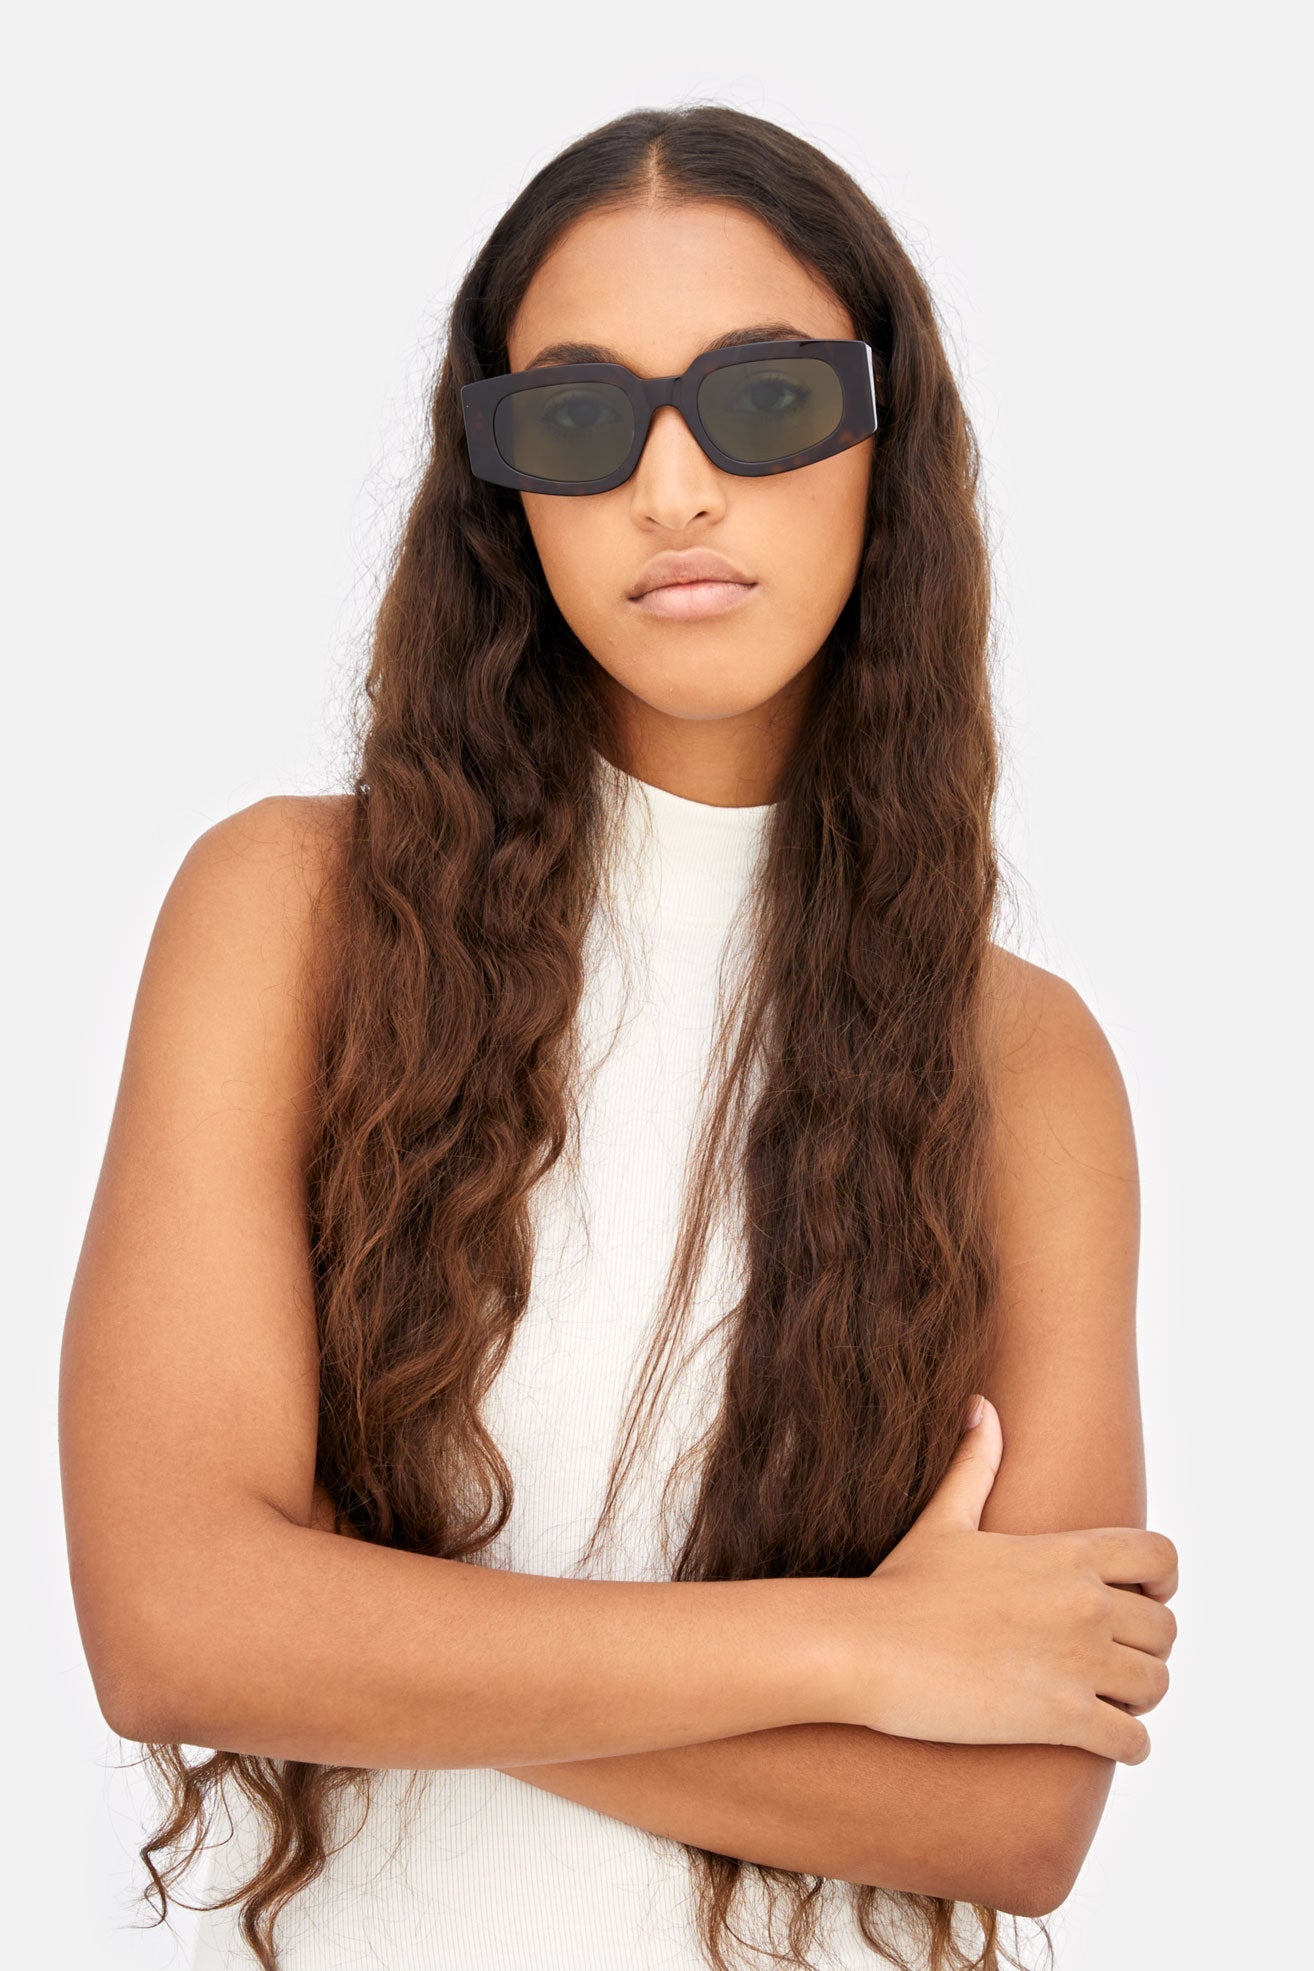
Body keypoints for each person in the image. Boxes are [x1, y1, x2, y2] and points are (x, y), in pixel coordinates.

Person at [58, 103, 1178, 1971]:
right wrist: (864, 1650)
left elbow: (1012, 1816)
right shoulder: (294, 917)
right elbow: (174, 1626)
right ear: (501, 484)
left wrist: (361, 1634)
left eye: (765, 399)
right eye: (579, 420)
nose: (674, 486)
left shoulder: (1020, 1061)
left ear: (884, 434)